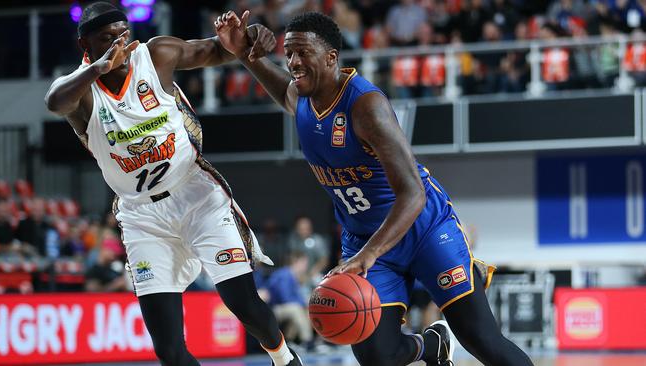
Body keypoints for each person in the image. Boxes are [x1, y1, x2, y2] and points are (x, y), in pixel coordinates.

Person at [214, 10, 534, 366]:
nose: (292, 62)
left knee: (481, 339)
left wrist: (367, 256)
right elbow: (285, 94)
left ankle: (454, 336)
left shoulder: (366, 105)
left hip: (422, 229)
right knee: (376, 355)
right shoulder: (303, 98)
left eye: (302, 53)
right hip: (365, 238)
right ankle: (431, 347)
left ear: (331, 58)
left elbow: (413, 193)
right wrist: (244, 53)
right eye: (289, 53)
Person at [44, 3, 302, 366]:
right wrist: (97, 68)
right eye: (107, 39)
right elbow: (55, 102)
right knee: (168, 349)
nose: (120, 44)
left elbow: (216, 49)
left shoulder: (155, 55)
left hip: (195, 194)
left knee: (242, 302)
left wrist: (247, 39)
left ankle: (284, 358)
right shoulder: (82, 93)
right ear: (84, 44)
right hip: (141, 216)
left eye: (123, 34)